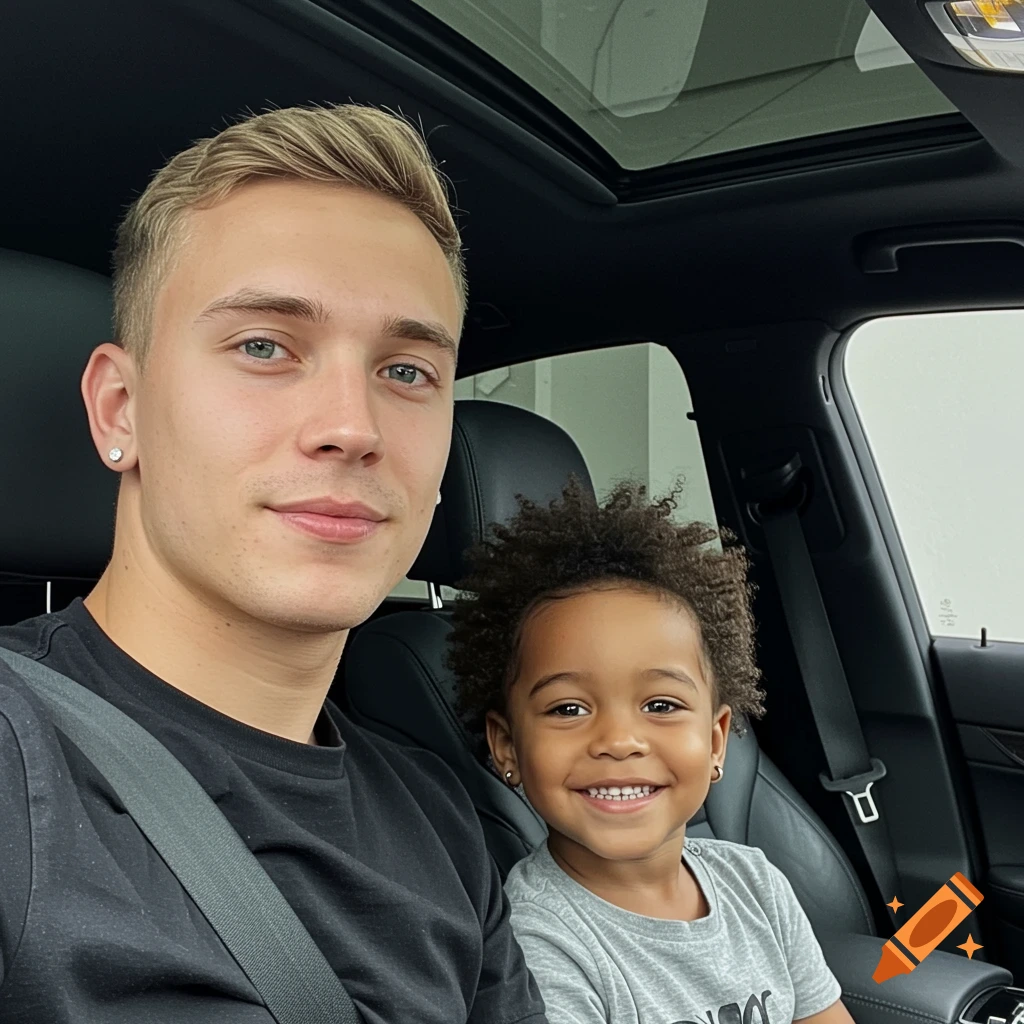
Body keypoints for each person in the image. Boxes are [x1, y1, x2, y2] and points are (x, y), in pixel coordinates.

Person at [0, 104, 546, 1024]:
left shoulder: (440, 816)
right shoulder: (18, 774)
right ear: (120, 409)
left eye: (406, 371)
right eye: (264, 346)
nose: (354, 428)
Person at [447, 477, 854, 1024]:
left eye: (661, 705)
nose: (619, 741)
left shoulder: (755, 883)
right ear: (507, 747)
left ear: (716, 741)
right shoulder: (536, 941)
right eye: (568, 708)